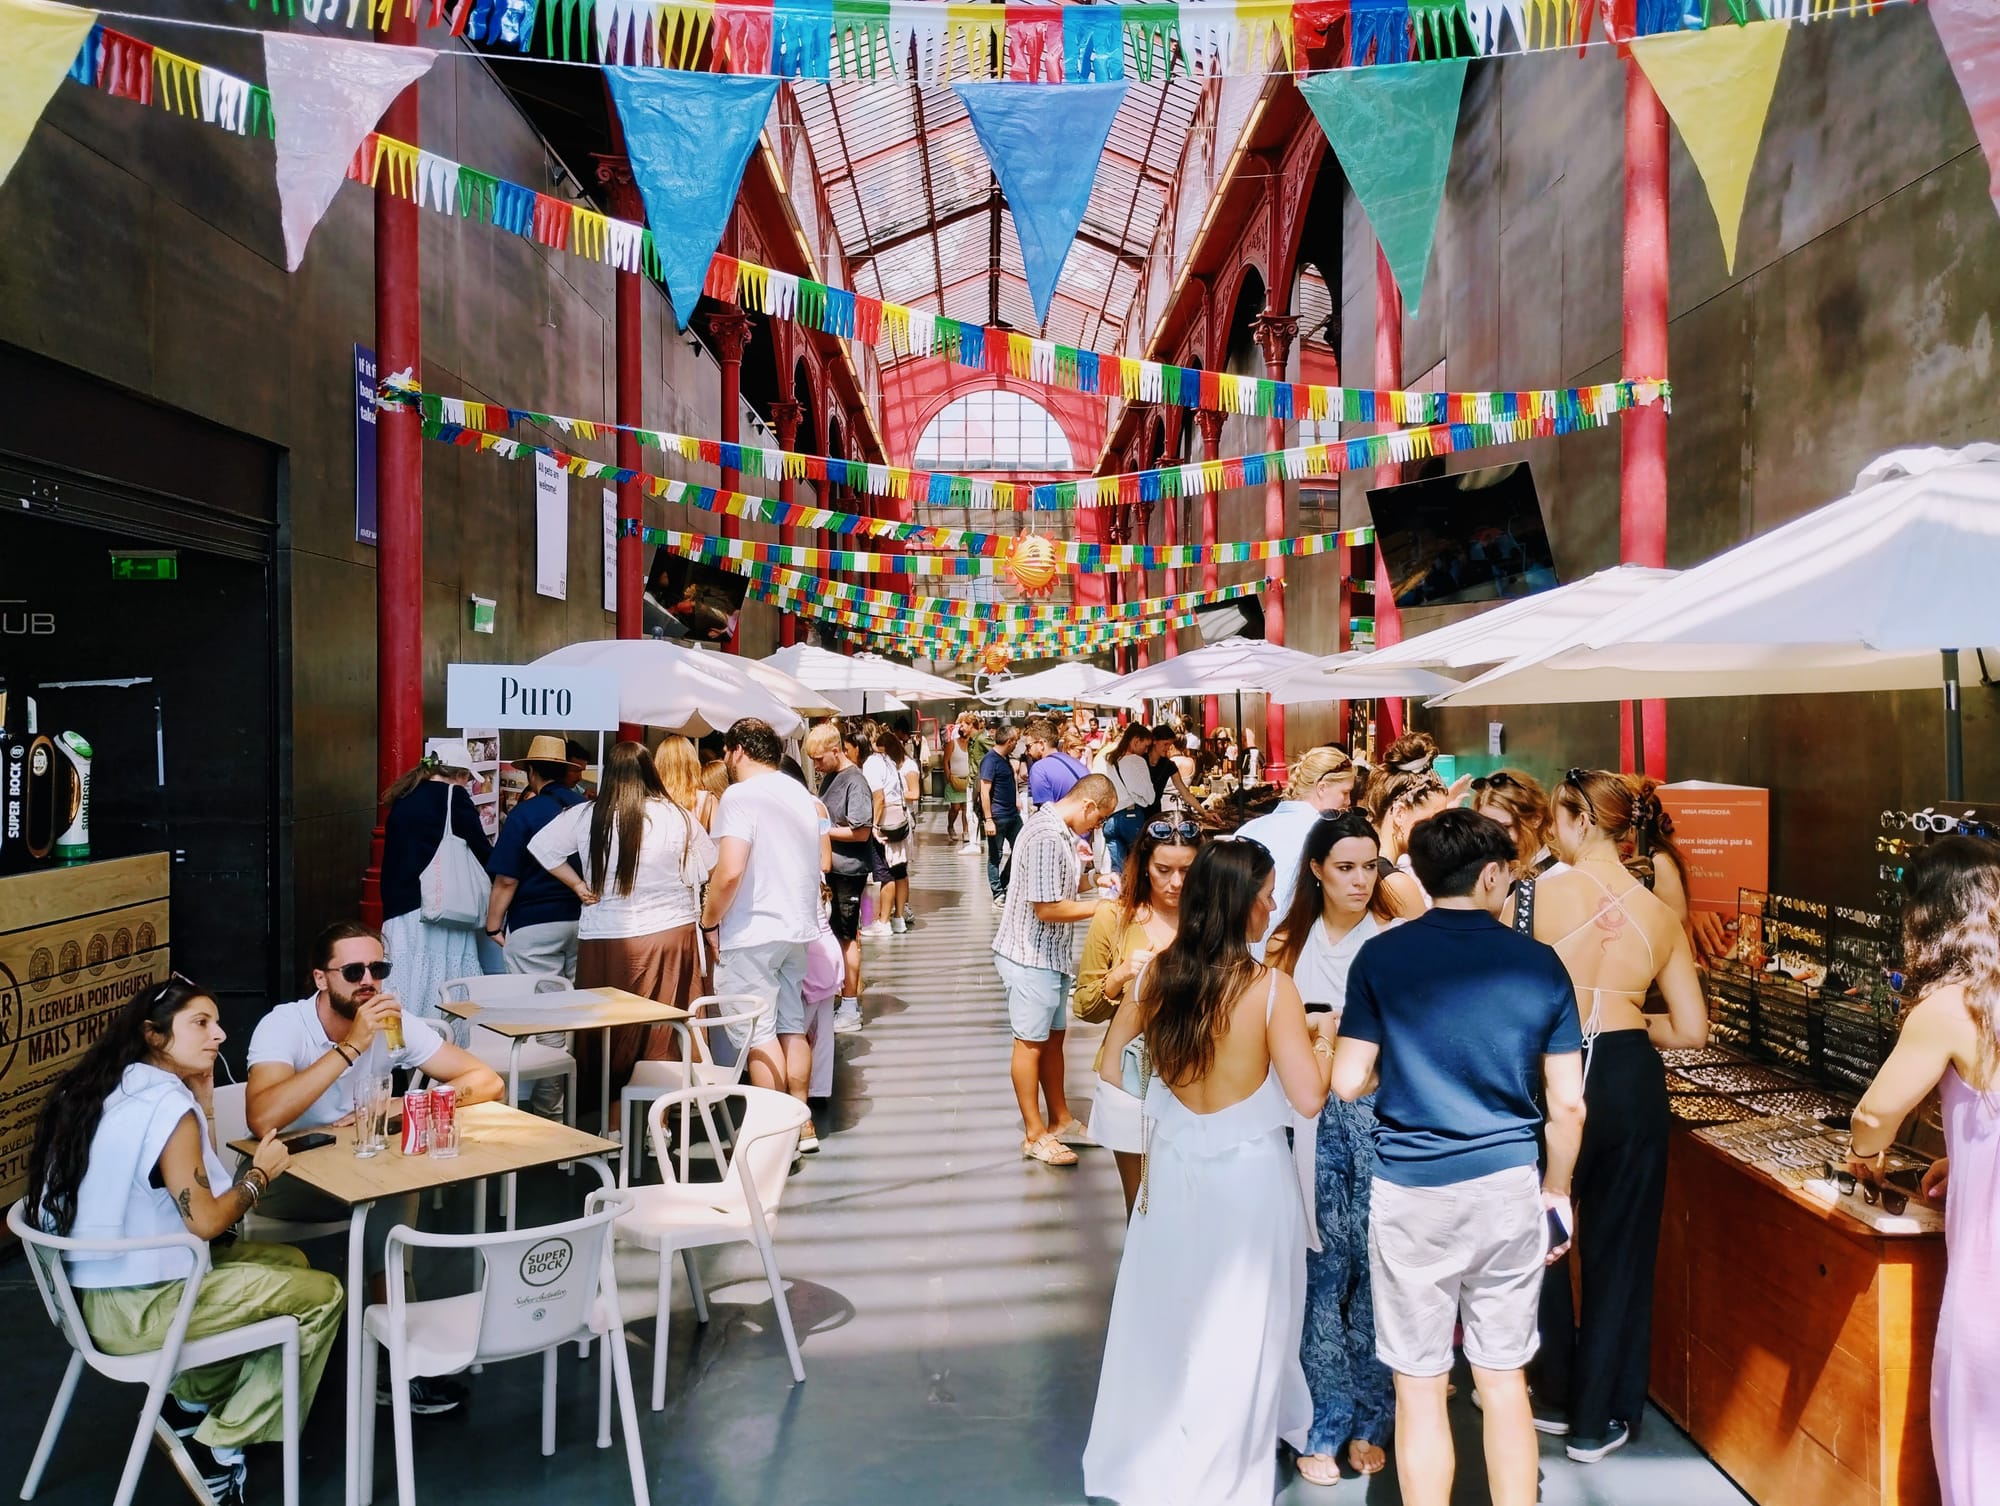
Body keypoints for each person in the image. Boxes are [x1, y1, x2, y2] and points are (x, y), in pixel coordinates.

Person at [1330, 809, 1587, 1506]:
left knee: (1418, 1388)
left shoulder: (1382, 957)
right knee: (1503, 1381)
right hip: (1508, 1185)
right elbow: (1568, 1104)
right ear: (1496, 873)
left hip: (1411, 1190)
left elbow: (1348, 1080)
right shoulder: (1539, 963)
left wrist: (1400, 1070)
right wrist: (1556, 1192)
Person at [1083, 837, 1340, 1506]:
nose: (1273, 905)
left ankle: (1158, 1447)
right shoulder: (1271, 990)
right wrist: (1324, 1041)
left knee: (1167, 1314)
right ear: (1245, 907)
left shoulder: (1157, 975)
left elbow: (1111, 1067)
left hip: (1170, 1169)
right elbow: (1309, 1097)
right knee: (1243, 1322)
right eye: (1266, 895)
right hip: (1248, 1178)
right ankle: (1225, 1466)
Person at [29, 978, 344, 1506]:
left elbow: (199, 1197)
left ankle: (190, 1403)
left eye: (217, 1021)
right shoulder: (165, 1110)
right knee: (323, 1295)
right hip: (142, 1311)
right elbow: (209, 1222)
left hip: (90, 1297)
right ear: (154, 1036)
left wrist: (205, 1106)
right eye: (200, 1023)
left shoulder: (108, 1087)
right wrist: (261, 1175)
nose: (219, 1034)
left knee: (288, 1260)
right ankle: (220, 1446)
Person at [1522, 769, 1708, 1461]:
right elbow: (1692, 1029)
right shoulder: (1660, 911)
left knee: (1540, 1229)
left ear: (1575, 819)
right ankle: (1598, 1418)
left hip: (1550, 1070)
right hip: (1630, 1074)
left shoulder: (1530, 896)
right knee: (1620, 1247)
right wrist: (1628, 1019)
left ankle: (1556, 1392)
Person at [246, 921, 502, 1417]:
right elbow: (262, 1117)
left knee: (396, 1182)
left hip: (361, 1166)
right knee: (390, 1193)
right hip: (287, 1176)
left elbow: (486, 1081)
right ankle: (396, 1354)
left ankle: (393, 1349)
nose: (369, 980)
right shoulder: (286, 1025)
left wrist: (402, 1108)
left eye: (378, 969)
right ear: (321, 978)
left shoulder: (393, 1020)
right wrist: (352, 1047)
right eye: (354, 970)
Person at [1847, 836, 2000, 1506]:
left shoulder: (1950, 1004)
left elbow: (1873, 1115)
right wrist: (1966, 1150)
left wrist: (1866, 1151)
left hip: (1989, 1271)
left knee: (1976, 1433)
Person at [1268, 810, 1400, 1485]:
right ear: (1317, 869)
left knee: (1379, 1271)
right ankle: (1320, 1422)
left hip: (1382, 1119)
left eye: (1369, 865)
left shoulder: (1394, 942)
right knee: (1319, 1275)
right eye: (1345, 866)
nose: (1358, 878)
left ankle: (1370, 1421)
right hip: (1308, 1123)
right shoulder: (1287, 944)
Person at [528, 741, 717, 1095]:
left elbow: (541, 847)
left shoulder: (587, 814)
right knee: (665, 1025)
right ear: (650, 771)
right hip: (669, 931)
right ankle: (658, 1118)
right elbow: (708, 865)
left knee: (608, 1029)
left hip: (605, 934)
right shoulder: (676, 815)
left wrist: (579, 885)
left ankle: (609, 1117)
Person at [700, 718, 826, 1143]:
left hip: (753, 929)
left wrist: (709, 919)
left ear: (737, 750)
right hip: (796, 927)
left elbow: (730, 871)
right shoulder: (801, 793)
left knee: (759, 1032)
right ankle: (802, 1124)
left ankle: (771, 1134)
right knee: (791, 1026)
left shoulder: (739, 796)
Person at [1071, 816, 1202, 1212]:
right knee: (1143, 1204)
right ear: (1144, 866)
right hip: (1132, 1078)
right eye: (1164, 870)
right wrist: (1123, 974)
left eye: (1187, 871)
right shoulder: (1115, 918)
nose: (1176, 883)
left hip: (1198, 1073)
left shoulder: (1208, 919)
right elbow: (1085, 1006)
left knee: (1191, 1199)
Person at [990, 772, 1116, 1166]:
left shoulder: (1056, 831)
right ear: (1088, 805)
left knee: (1053, 1040)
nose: (1096, 828)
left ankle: (1059, 1119)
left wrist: (1095, 879)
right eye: (1098, 820)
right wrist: (1105, 906)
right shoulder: (1047, 836)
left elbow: (1060, 885)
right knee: (1030, 1044)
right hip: (1030, 956)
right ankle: (1034, 1133)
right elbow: (1047, 908)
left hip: (1050, 957)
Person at [377, 738, 493, 1038]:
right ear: (459, 774)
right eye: (468, 777)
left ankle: (398, 1045)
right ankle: (442, 1047)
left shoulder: (405, 796)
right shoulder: (454, 797)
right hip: (440, 905)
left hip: (399, 905)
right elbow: (483, 850)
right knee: (444, 980)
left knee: (404, 980)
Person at [1236, 746, 1362, 957]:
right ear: (1322, 788)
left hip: (1241, 956)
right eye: (1345, 792)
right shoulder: (1327, 838)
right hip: (1296, 956)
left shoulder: (1248, 830)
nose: (1348, 802)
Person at [484, 735, 587, 986]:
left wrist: (493, 926)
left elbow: (507, 880)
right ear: (565, 772)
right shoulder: (586, 807)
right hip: (582, 921)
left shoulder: (524, 813)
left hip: (534, 922)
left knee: (539, 1010)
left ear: (531, 772)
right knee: (578, 1005)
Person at [809, 722, 873, 1038]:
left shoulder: (855, 782)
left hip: (848, 869)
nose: (816, 766)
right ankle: (842, 997)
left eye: (820, 759)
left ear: (837, 751)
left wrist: (820, 829)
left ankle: (850, 1004)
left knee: (847, 936)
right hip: (834, 867)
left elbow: (862, 831)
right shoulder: (833, 778)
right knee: (838, 934)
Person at [1364, 767, 1452, 917]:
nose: (1436, 833)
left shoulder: (1367, 867)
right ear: (1399, 814)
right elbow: (1430, 940)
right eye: (1429, 822)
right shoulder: (1397, 883)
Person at [864, 726, 918, 935]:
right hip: (900, 820)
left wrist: (875, 825)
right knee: (900, 871)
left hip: (886, 821)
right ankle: (898, 919)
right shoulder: (892, 763)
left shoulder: (872, 764)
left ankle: (884, 922)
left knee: (886, 873)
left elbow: (879, 797)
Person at [1470, 769, 1561, 881]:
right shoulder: (1490, 872)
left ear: (1536, 819)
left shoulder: (1557, 877)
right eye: (1487, 828)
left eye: (1505, 827)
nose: (1494, 838)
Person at [1099, 723, 1157, 877]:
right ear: (1136, 740)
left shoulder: (1107, 759)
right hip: (1131, 817)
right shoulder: (1136, 761)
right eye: (1146, 746)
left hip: (1110, 819)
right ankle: (1133, 900)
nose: (1146, 751)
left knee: (1117, 870)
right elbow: (1150, 797)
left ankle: (1118, 898)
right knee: (1136, 867)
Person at [979, 722, 1024, 903]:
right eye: (1015, 741)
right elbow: (984, 791)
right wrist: (988, 819)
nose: (1016, 745)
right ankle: (997, 892)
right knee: (995, 856)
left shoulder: (1004, 758)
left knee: (1021, 848)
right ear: (1010, 741)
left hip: (1012, 814)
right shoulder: (990, 760)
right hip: (997, 816)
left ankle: (1005, 882)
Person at [655, 733, 719, 829]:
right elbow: (717, 842)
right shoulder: (707, 800)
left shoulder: (652, 801)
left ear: (659, 764)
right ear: (693, 764)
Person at [1025, 718, 1089, 807]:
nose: (1027, 752)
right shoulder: (1078, 764)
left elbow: (1048, 810)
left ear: (1041, 744)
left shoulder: (1039, 768)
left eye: (1029, 746)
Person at [944, 714, 974, 845]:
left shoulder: (972, 744)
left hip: (967, 779)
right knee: (955, 807)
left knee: (966, 807)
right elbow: (945, 761)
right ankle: (950, 826)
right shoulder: (952, 743)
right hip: (955, 779)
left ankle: (965, 831)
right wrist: (948, 777)